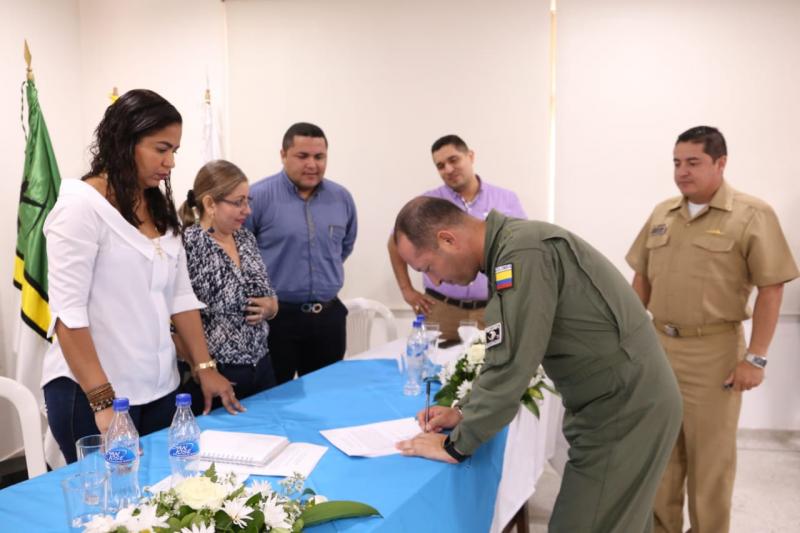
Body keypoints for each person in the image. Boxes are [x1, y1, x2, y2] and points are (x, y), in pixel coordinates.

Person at [393, 197, 682, 532]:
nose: (436, 282)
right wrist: (463, 411)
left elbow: (513, 362)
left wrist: (455, 445)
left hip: (624, 409)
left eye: (427, 268)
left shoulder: (522, 254)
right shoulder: (512, 249)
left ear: (447, 239)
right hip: (619, 403)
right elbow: (506, 349)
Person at [42, 89, 243, 463]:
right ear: (125, 142)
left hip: (158, 389)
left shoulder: (156, 205)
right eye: (161, 148)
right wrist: (103, 403)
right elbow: (68, 316)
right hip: (94, 394)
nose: (169, 162)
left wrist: (204, 367)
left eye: (175, 152)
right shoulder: (80, 206)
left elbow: (180, 296)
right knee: (111, 509)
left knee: (162, 497)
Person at [626, 126, 799, 533]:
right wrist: (631, 344)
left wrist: (754, 358)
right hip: (659, 348)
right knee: (662, 455)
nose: (682, 172)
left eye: (693, 162)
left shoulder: (751, 214)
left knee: (710, 463)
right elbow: (641, 280)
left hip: (714, 353)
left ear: (721, 163)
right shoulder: (662, 214)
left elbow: (771, 288)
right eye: (676, 162)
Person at [245, 122, 357, 384]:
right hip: (276, 321)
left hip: (328, 319)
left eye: (319, 157)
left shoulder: (342, 198)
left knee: (326, 398)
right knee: (274, 400)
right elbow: (241, 253)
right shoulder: (257, 198)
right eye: (302, 156)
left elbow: (344, 246)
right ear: (283, 155)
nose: (312, 164)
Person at [387, 135, 526, 340]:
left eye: (453, 160)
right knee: (435, 368)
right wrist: (406, 289)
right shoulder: (428, 203)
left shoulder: (505, 199)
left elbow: (518, 249)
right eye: (441, 166)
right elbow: (395, 242)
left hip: (488, 309)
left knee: (486, 364)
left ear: (470, 156)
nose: (448, 170)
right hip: (441, 308)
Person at [177, 160, 279, 414]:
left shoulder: (245, 237)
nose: (248, 210)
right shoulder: (187, 245)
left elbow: (265, 292)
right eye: (238, 202)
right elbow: (175, 321)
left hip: (262, 364)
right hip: (220, 375)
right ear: (210, 204)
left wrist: (271, 307)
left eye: (248, 200)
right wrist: (204, 370)